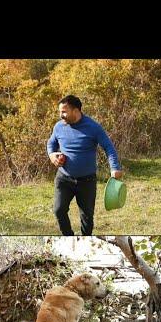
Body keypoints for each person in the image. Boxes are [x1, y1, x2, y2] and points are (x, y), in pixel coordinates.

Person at [47, 95, 123, 235]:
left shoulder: (93, 127)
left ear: (76, 111)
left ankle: (85, 238)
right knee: (58, 210)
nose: (61, 115)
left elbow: (108, 147)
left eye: (64, 112)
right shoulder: (58, 127)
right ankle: (68, 236)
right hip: (64, 178)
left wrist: (115, 167)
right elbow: (51, 143)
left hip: (87, 181)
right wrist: (52, 155)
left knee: (87, 217)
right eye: (60, 112)